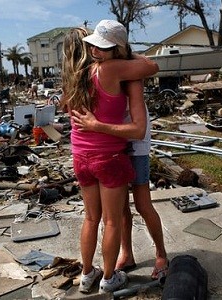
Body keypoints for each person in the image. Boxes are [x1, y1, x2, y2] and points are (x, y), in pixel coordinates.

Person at [60, 21, 158, 294]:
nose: (94, 48)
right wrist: (124, 52)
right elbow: (151, 66)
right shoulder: (110, 68)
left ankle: (87, 273)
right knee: (112, 221)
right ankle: (109, 278)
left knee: (90, 218)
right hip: (109, 156)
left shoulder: (73, 78)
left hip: (81, 156)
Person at [71, 85, 169, 283]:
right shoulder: (98, 76)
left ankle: (161, 255)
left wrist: (96, 126)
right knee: (120, 210)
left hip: (136, 145)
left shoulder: (128, 75)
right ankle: (127, 254)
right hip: (113, 146)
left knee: (143, 204)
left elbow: (147, 66)